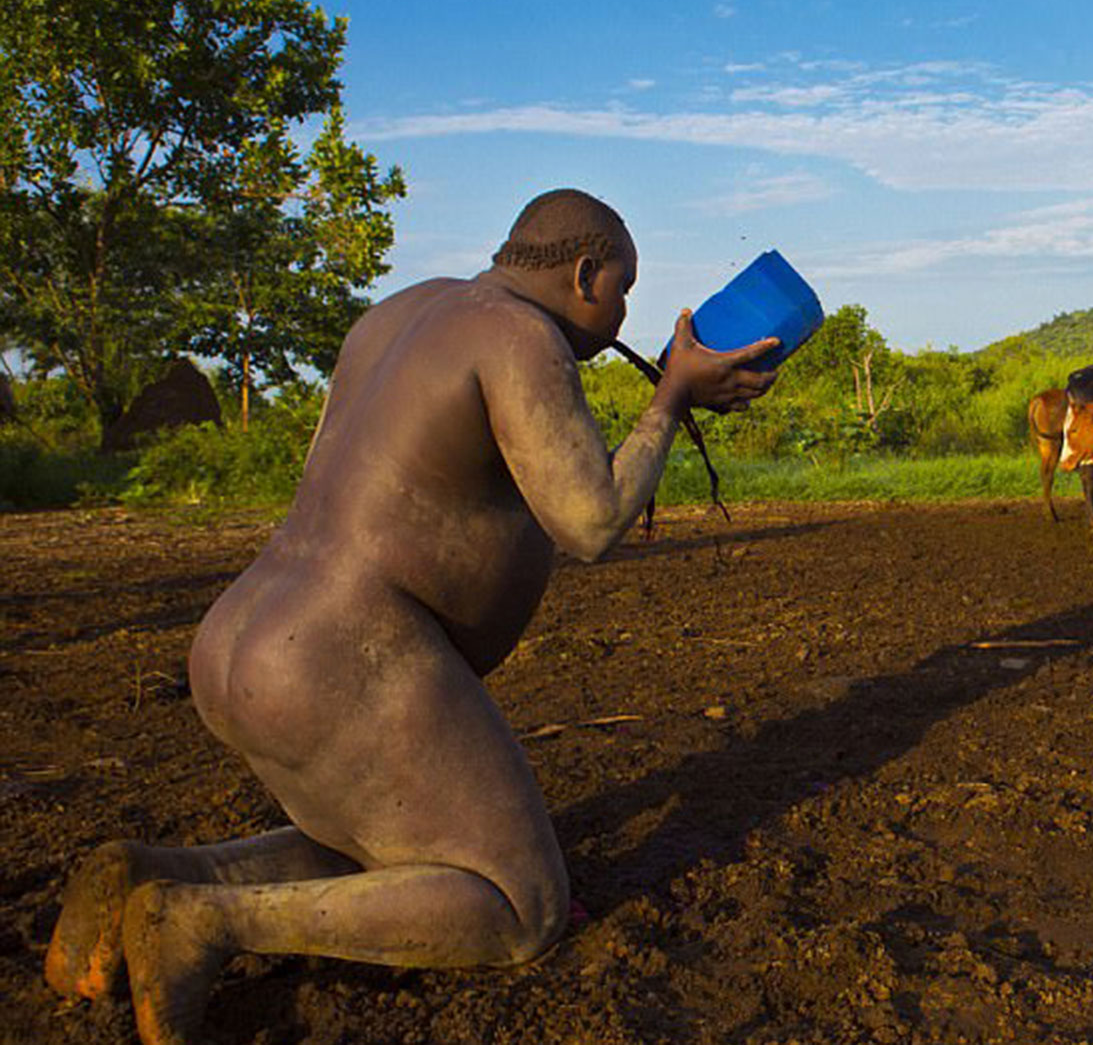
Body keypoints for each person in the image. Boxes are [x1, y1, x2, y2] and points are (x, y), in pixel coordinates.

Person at [42, 189, 778, 1045]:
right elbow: (590, 519)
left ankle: (148, 878)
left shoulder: (399, 314)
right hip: (344, 653)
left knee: (391, 850)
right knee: (519, 902)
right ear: (584, 273)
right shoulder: (517, 336)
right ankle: (206, 923)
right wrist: (668, 403)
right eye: (622, 288)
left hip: (244, 634)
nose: (621, 312)